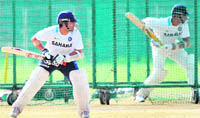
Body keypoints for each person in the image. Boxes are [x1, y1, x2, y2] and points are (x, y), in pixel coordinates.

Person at [9, 11, 91, 118]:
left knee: (79, 79)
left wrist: (66, 57)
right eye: (72, 22)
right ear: (64, 23)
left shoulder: (75, 33)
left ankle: (84, 111)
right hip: (49, 59)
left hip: (67, 61)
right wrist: (44, 51)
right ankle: (16, 108)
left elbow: (79, 52)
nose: (74, 24)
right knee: (35, 80)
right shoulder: (51, 31)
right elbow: (34, 39)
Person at [135, 4, 194, 102]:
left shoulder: (184, 24)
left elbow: (187, 43)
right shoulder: (161, 22)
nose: (186, 17)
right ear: (177, 15)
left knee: (190, 64)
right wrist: (153, 37)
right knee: (159, 73)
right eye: (184, 15)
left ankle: (195, 93)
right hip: (159, 48)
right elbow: (143, 23)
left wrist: (172, 46)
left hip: (174, 47)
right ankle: (141, 94)